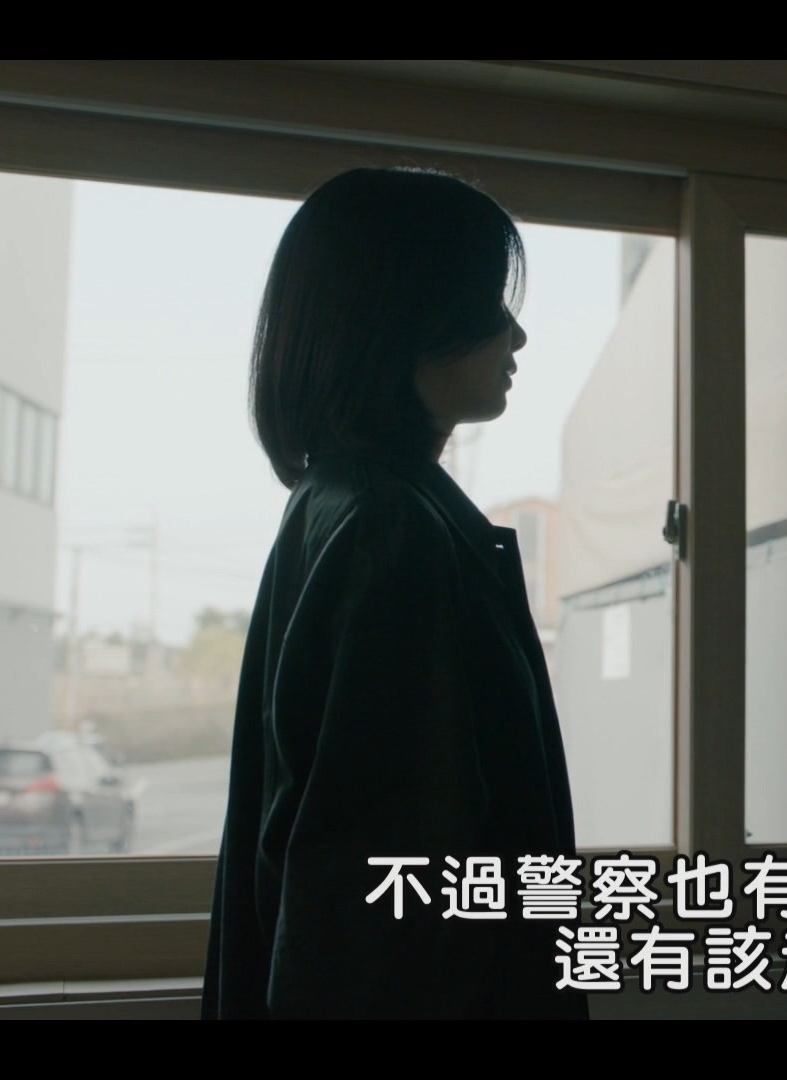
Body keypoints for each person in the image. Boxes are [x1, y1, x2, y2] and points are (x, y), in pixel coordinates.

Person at [202, 167, 587, 1020]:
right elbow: (390, 906)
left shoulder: (342, 500)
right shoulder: (392, 526)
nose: (518, 335)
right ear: (409, 316)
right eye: (490, 304)